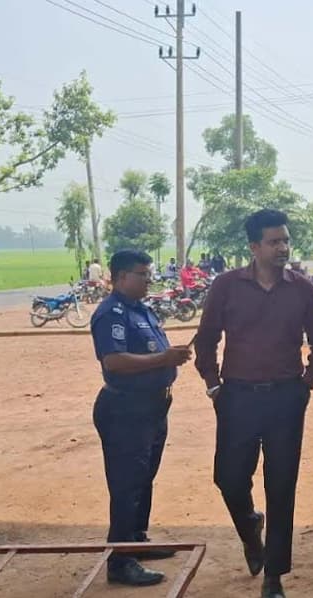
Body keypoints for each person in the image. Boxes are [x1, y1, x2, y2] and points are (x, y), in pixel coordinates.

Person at [194, 209, 313, 598]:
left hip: (287, 398)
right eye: (274, 242)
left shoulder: (303, 289)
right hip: (236, 396)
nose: (283, 248)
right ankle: (250, 529)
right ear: (254, 247)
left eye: (286, 240)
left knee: (282, 483)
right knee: (229, 477)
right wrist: (213, 385)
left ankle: (274, 576)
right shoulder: (225, 286)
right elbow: (205, 341)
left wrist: (306, 385)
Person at [89, 250, 192, 586]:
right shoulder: (112, 313)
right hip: (125, 410)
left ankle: (136, 540)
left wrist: (168, 355)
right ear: (120, 277)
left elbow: (149, 352)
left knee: (143, 478)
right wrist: (165, 357)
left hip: (152, 408)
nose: (149, 279)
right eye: (142, 274)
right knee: (126, 485)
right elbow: (114, 361)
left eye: (149, 273)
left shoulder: (142, 310)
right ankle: (121, 561)